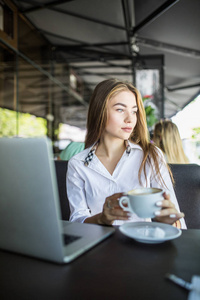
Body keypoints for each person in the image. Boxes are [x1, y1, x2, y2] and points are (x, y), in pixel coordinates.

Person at [67, 78, 186, 228]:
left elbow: (176, 220)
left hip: (141, 246)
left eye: (134, 111)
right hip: (99, 246)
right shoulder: (78, 164)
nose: (130, 119)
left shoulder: (150, 155)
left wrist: (171, 221)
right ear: (99, 111)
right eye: (120, 109)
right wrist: (102, 219)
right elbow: (77, 219)